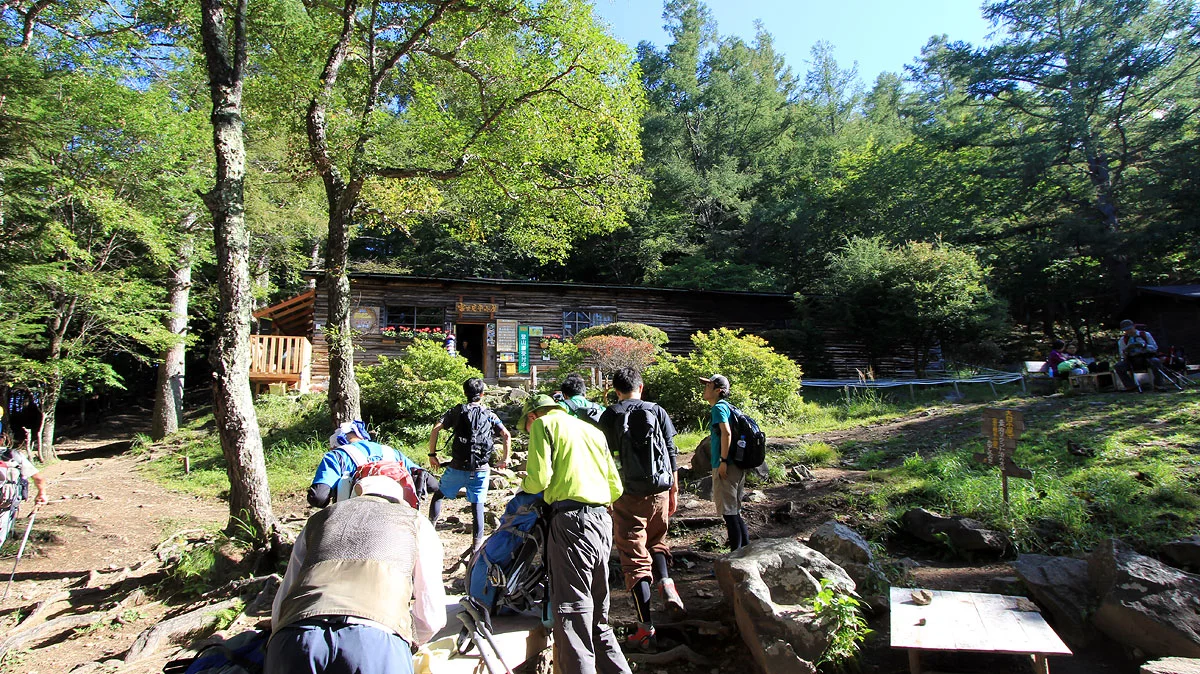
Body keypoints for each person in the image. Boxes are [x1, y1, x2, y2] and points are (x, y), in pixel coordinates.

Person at [267, 474, 446, 674]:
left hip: (296, 636)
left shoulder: (320, 518)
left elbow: (282, 601)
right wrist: (407, 638)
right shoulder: (416, 522)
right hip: (376, 641)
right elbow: (432, 616)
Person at [519, 394, 631, 674]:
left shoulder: (543, 425)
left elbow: (539, 480)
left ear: (533, 416)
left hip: (571, 523)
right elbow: (615, 487)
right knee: (598, 618)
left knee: (572, 614)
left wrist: (524, 485)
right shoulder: (593, 430)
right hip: (602, 522)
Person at [597, 367, 685, 652]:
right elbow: (671, 449)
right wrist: (673, 486)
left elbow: (604, 456)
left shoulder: (609, 414)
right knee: (657, 540)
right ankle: (667, 583)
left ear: (614, 389)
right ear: (641, 386)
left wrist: (607, 494)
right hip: (659, 487)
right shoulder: (657, 411)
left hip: (626, 494)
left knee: (634, 560)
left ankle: (645, 630)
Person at [428, 378, 511, 551]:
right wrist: (505, 459)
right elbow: (506, 435)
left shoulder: (457, 411)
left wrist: (432, 455)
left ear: (465, 393)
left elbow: (436, 429)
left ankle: (429, 531)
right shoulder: (490, 414)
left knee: (438, 495)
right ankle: (476, 547)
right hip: (481, 469)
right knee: (477, 506)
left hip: (457, 466)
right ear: (482, 394)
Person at [307, 420, 428, 508]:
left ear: (335, 445)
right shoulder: (391, 452)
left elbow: (319, 498)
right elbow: (430, 484)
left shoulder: (336, 456)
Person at [701, 374, 750, 551]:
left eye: (709, 386)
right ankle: (745, 552)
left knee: (729, 514)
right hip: (736, 465)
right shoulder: (728, 407)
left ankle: (734, 559)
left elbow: (726, 433)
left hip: (726, 466)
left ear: (719, 391)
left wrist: (722, 461)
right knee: (735, 512)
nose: (705, 388)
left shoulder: (718, 408)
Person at [0, 434, 48, 543]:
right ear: (2, 439)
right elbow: (38, 478)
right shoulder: (14, 456)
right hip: (5, 506)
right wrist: (41, 494)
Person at [1114, 319, 1167, 391]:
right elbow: (1122, 354)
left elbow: (1154, 348)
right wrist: (1126, 352)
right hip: (1132, 360)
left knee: (1156, 361)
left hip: (1146, 358)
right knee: (1118, 366)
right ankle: (1130, 386)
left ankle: (1159, 385)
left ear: (1134, 326)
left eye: (1130, 329)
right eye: (1126, 330)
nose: (1129, 331)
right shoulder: (1123, 340)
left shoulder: (1145, 335)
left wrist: (1144, 346)